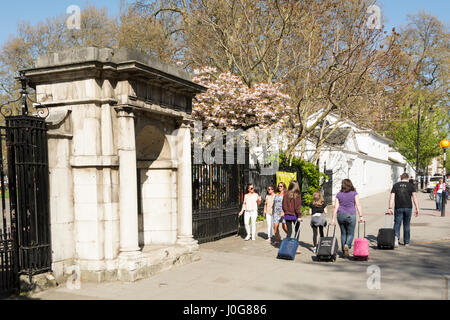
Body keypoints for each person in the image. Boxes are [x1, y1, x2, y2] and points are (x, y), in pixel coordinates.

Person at [331, 179, 364, 258]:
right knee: (350, 233)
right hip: (351, 215)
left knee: (343, 233)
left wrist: (332, 219)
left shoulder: (339, 194)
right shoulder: (354, 193)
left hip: (340, 215)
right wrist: (361, 216)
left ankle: (343, 251)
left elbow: (336, 207)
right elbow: (358, 204)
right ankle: (347, 245)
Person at [388, 173, 419, 247]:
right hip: (408, 207)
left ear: (400, 177)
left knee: (397, 223)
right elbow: (414, 197)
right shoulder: (411, 186)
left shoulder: (395, 185)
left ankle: (396, 240)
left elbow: (392, 197)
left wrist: (390, 207)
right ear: (408, 178)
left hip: (398, 207)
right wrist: (417, 208)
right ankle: (406, 242)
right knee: (407, 224)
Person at [282, 181, 302, 253]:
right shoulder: (297, 195)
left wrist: (286, 211)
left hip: (287, 215)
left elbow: (283, 205)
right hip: (295, 215)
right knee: (297, 231)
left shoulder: (286, 194)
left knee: (289, 231)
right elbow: (297, 207)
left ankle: (286, 247)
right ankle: (295, 247)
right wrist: (299, 215)